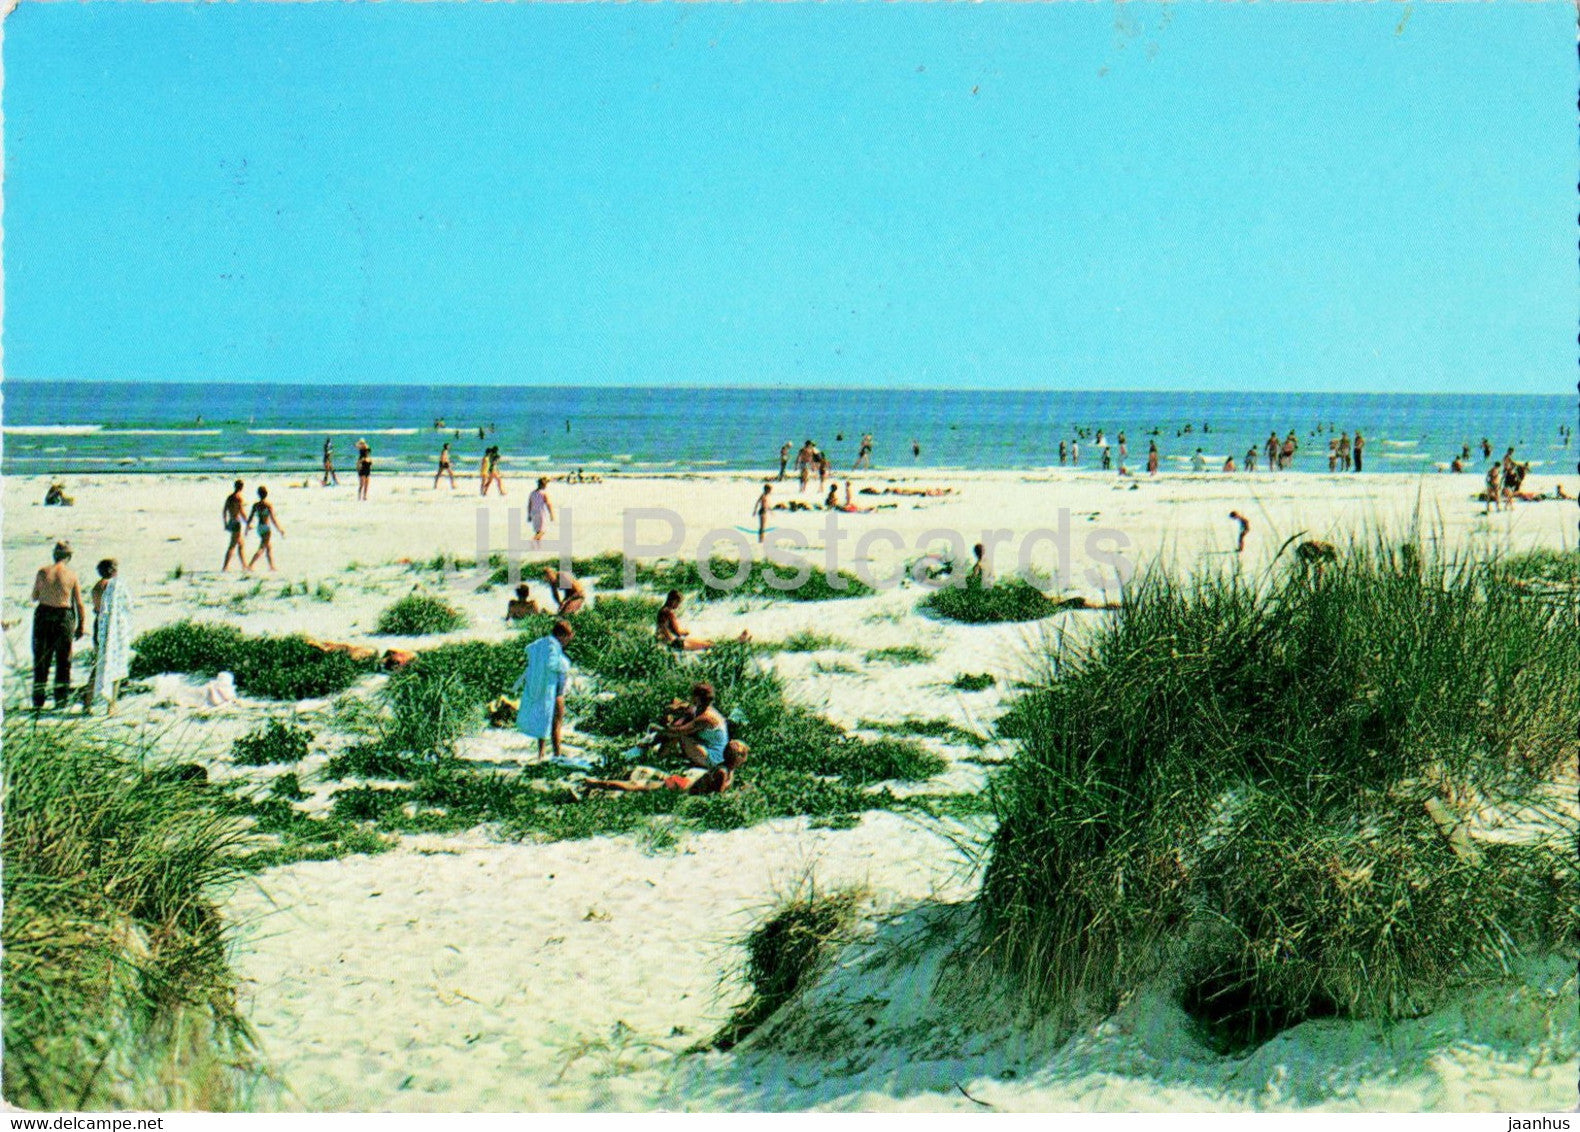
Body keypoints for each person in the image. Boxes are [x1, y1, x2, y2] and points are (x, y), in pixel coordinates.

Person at [31, 541, 85, 711]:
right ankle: (60, 700)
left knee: (41, 659)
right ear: (69, 557)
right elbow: (79, 603)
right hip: (63, 615)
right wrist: (81, 625)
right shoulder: (72, 574)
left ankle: (38, 700)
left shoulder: (43, 572)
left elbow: (34, 596)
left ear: (54, 555)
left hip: (44, 614)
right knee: (63, 659)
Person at [584, 742, 748, 796]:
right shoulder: (723, 772)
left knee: (640, 785)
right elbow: (716, 795)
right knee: (638, 786)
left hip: (685, 782)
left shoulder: (724, 768)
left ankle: (600, 782)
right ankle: (599, 783)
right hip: (682, 787)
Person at [515, 620, 574, 761]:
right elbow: (555, 664)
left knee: (544, 720)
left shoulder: (542, 644)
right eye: (568, 638)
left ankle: (541, 754)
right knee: (556, 722)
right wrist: (566, 664)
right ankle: (557, 754)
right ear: (563, 635)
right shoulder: (553, 648)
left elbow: (529, 649)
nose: (567, 642)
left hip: (542, 687)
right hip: (555, 688)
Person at [641, 682, 732, 769]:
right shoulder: (705, 709)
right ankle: (656, 753)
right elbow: (686, 708)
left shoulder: (706, 718)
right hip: (709, 748)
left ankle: (657, 760)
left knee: (680, 735)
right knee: (680, 726)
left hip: (715, 759)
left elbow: (677, 732)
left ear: (697, 698)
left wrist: (657, 729)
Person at [87, 558, 133, 715]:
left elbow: (96, 608)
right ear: (113, 570)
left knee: (98, 662)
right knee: (116, 662)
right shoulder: (116, 586)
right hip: (114, 627)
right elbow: (127, 606)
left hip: (99, 624)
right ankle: (112, 704)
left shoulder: (96, 587)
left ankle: (87, 702)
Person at [656, 590, 748, 651]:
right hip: (674, 643)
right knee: (709, 645)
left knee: (707, 643)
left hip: (664, 642)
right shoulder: (669, 613)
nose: (678, 606)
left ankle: (735, 641)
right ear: (673, 601)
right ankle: (735, 643)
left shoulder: (661, 611)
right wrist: (686, 632)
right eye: (678, 603)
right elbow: (678, 632)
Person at [245, 486, 286, 572]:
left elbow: (250, 518)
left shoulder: (256, 505)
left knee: (268, 547)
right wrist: (280, 530)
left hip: (259, 527)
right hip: (266, 528)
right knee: (262, 548)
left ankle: (271, 566)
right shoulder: (268, 505)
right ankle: (250, 565)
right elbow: (273, 519)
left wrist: (247, 528)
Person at [222, 480, 249, 571]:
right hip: (236, 522)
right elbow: (241, 511)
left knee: (241, 544)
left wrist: (225, 523)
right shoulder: (239, 498)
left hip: (231, 521)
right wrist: (247, 522)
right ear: (241, 487)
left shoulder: (229, 497)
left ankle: (244, 565)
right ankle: (225, 566)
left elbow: (224, 511)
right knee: (232, 545)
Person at [527, 477, 553, 542]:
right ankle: (532, 542)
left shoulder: (532, 493)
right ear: (543, 485)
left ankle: (537, 547)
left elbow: (529, 505)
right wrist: (551, 514)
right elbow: (548, 504)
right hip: (541, 513)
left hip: (533, 513)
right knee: (542, 531)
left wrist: (529, 515)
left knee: (538, 531)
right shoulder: (544, 493)